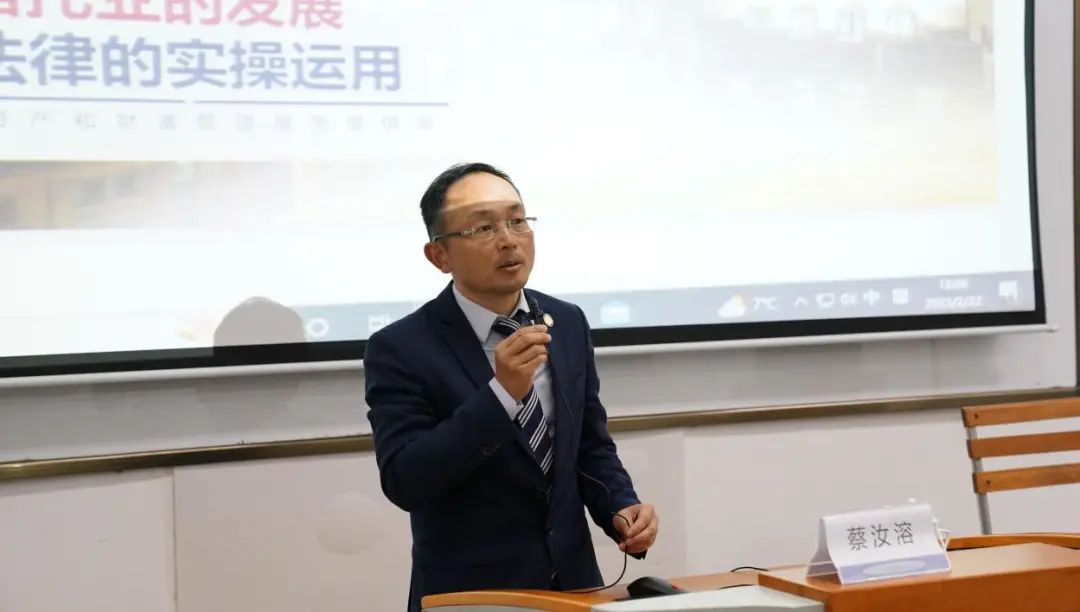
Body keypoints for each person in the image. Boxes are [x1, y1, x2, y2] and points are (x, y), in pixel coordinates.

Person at [365, 162, 658, 611]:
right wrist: (501, 395)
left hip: (574, 587)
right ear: (439, 256)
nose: (508, 239)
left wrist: (620, 507)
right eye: (483, 227)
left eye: (517, 220)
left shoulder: (568, 322)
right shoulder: (401, 347)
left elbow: (588, 446)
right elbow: (406, 480)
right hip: (472, 597)